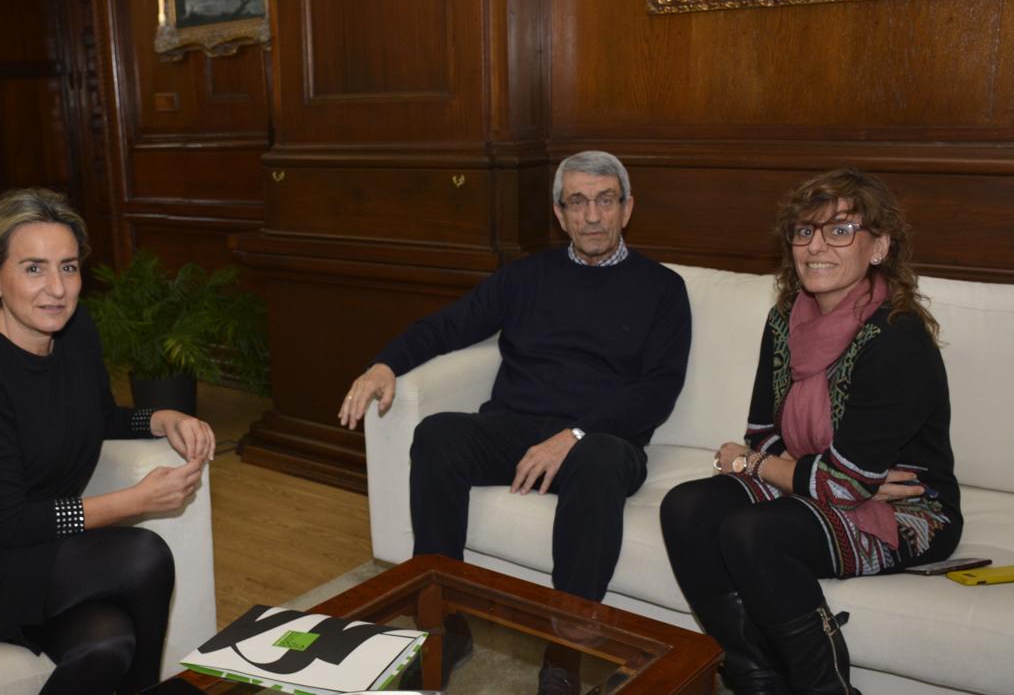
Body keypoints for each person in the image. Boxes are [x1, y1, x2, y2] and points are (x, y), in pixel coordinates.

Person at [338, 151, 692, 695]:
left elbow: (657, 392)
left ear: (627, 208)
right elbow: (447, 326)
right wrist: (384, 363)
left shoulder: (663, 289)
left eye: (605, 200)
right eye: (578, 202)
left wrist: (573, 436)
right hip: (514, 426)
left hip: (603, 441)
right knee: (437, 434)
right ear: (560, 213)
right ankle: (444, 625)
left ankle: (566, 653)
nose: (592, 215)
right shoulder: (525, 277)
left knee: (597, 462)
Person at [0, 188, 216, 695]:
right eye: (34, 268)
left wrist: (162, 417)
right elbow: (9, 519)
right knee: (144, 556)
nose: (57, 289)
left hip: (32, 550)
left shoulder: (75, 330)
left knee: (106, 644)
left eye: (68, 267)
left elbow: (100, 416)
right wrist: (134, 501)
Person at [659, 169, 960, 695]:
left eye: (839, 230)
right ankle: (756, 678)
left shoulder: (896, 340)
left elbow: (826, 482)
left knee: (752, 533)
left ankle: (825, 689)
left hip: (911, 510)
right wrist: (811, 471)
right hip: (826, 478)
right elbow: (763, 432)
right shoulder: (784, 320)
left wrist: (756, 466)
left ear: (879, 246)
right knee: (685, 507)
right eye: (804, 231)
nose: (815, 246)